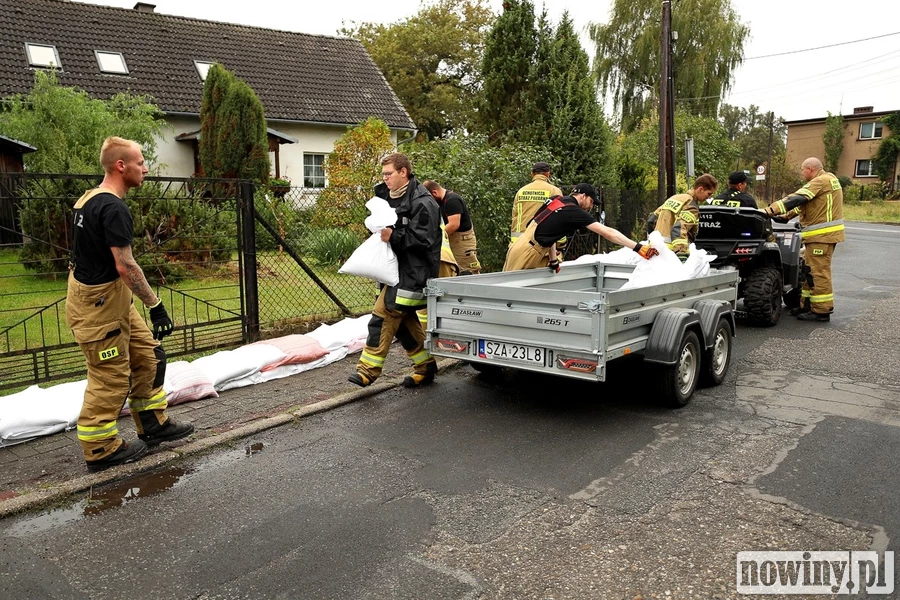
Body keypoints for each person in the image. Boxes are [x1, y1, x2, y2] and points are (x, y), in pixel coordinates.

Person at [66, 137, 193, 472]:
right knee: (109, 376)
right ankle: (100, 448)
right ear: (121, 166)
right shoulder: (113, 208)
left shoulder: (88, 199)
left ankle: (152, 424)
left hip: (111, 298)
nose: (145, 168)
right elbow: (126, 265)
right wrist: (155, 304)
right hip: (98, 305)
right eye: (140, 162)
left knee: (149, 355)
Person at [349, 153, 442, 388]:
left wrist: (394, 236)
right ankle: (425, 366)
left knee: (383, 316)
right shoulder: (388, 197)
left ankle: (367, 371)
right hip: (396, 273)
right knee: (403, 323)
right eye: (383, 175)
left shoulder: (423, 202)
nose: (385, 179)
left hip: (414, 275)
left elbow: (425, 241)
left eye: (389, 174)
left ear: (404, 172)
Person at [503, 183, 657, 272]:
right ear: (582, 196)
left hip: (519, 246)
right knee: (509, 296)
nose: (591, 206)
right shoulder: (573, 210)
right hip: (529, 252)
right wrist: (637, 247)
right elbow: (608, 233)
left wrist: (554, 260)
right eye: (591, 201)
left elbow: (550, 232)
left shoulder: (555, 200)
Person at [761, 157, 843, 322]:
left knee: (818, 273)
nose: (801, 173)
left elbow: (797, 198)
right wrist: (786, 216)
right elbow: (806, 204)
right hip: (818, 237)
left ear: (810, 169)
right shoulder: (829, 180)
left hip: (821, 237)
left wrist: (769, 210)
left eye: (802, 170)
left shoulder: (820, 181)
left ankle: (821, 311)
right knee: (808, 270)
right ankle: (806, 305)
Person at [649, 174, 718, 254]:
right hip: (673, 252)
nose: (709, 198)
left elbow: (651, 220)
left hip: (655, 250)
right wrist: (681, 252)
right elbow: (679, 228)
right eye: (709, 194)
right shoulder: (691, 205)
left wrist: (652, 243)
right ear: (700, 189)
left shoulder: (674, 198)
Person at [422, 180, 481, 274]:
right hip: (451, 239)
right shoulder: (441, 202)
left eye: (430, 198)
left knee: (466, 272)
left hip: (462, 242)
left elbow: (454, 225)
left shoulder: (452, 200)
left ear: (434, 192)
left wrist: (435, 236)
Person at [510, 161, 563, 246]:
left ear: (532, 174)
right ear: (548, 174)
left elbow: (515, 217)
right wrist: (560, 244)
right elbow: (560, 219)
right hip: (543, 243)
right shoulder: (554, 191)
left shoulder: (521, 191)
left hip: (520, 243)